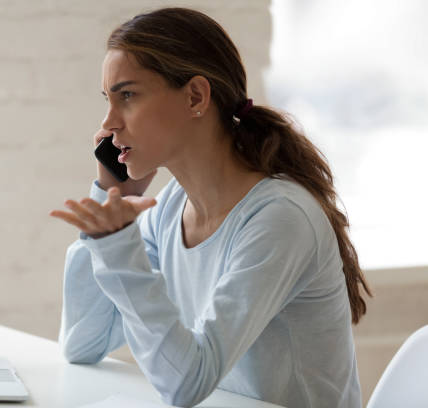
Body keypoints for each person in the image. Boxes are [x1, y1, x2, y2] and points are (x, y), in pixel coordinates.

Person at [49, 7, 371, 408]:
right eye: (108, 100)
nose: (109, 122)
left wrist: (116, 244)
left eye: (127, 95)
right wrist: (111, 196)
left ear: (196, 96)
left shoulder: (279, 219)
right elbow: (82, 342)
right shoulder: (168, 209)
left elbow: (186, 384)